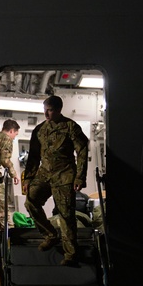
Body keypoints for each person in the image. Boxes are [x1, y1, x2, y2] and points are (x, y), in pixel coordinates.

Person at [21, 95, 89, 266]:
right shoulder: (40, 130)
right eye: (45, 110)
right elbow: (34, 156)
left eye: (50, 110)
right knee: (31, 201)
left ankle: (71, 255)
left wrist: (80, 176)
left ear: (59, 110)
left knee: (66, 214)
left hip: (64, 174)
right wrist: (28, 178)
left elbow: (82, 152)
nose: (46, 114)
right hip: (44, 173)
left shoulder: (71, 127)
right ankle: (50, 235)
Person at [0, 119, 20, 230]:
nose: (14, 137)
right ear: (11, 131)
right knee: (3, 209)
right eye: (15, 134)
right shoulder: (7, 139)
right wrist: (14, 174)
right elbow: (5, 160)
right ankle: (10, 235)